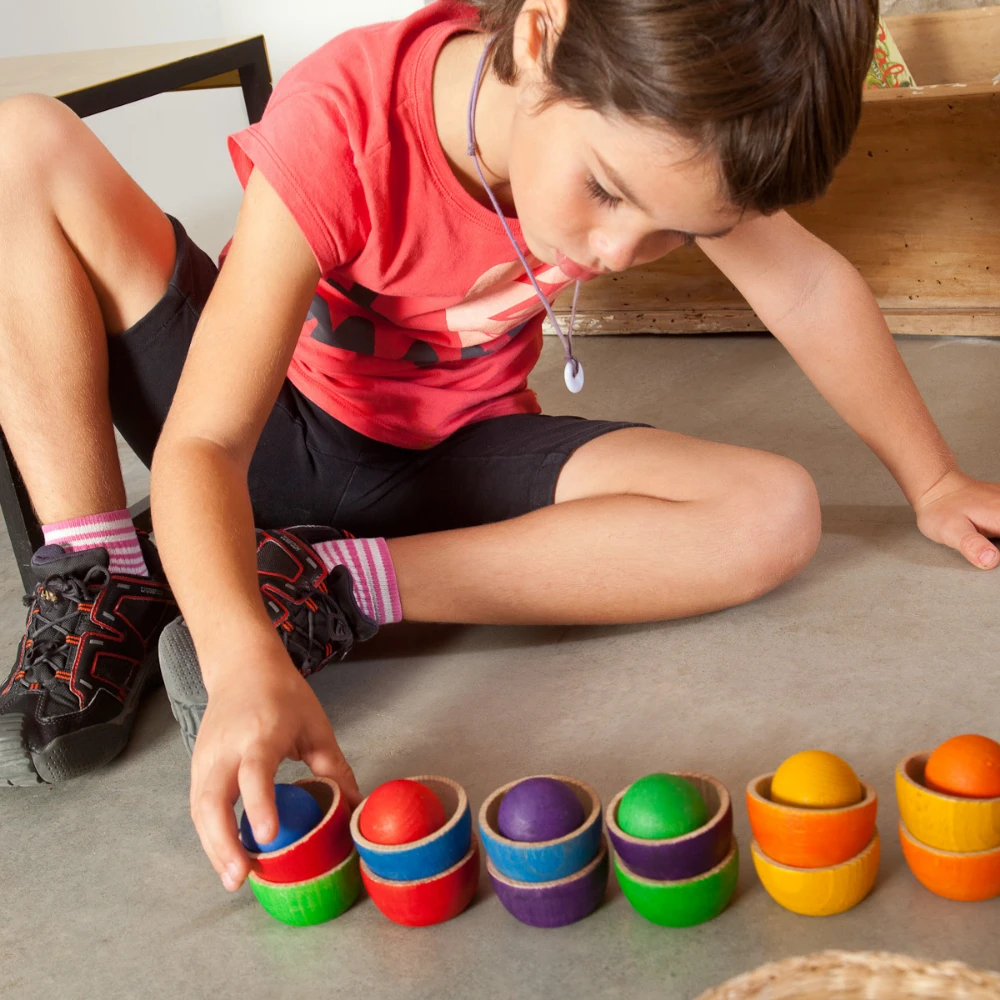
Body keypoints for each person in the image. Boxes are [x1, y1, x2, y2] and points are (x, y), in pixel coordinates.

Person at [1, 0, 997, 894]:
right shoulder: (347, 112)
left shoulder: (673, 128)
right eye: (604, 190)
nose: (612, 256)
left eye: (676, 234)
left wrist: (934, 477)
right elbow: (206, 440)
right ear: (540, 32)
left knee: (774, 511)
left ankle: (323, 582)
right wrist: (235, 655)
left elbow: (808, 288)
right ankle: (100, 571)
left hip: (453, 462)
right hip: (264, 426)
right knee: (19, 138)